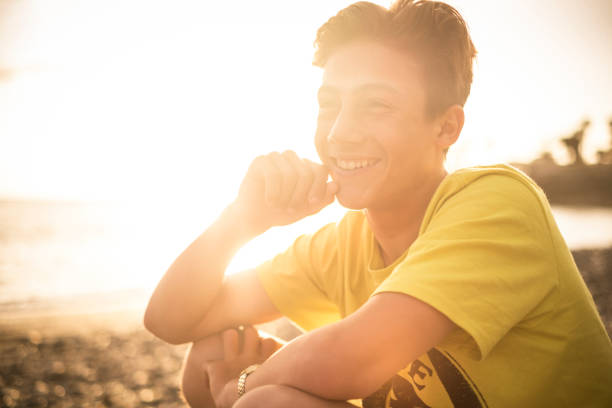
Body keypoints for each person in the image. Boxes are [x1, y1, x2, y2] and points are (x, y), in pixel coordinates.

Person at [144, 1, 612, 406]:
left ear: (446, 128)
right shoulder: (344, 244)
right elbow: (172, 320)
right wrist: (242, 221)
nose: (339, 131)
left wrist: (237, 389)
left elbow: (356, 359)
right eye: (330, 104)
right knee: (211, 352)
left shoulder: (497, 203)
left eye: (377, 105)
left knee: (264, 401)